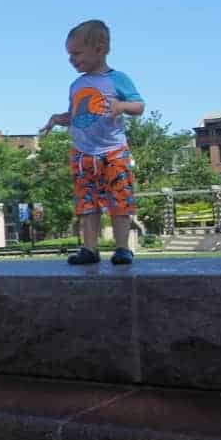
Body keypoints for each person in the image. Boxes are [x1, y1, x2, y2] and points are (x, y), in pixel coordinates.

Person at [40, 20, 145, 265]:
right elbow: (77, 116)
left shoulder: (117, 79)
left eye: (76, 53)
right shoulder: (76, 85)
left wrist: (121, 106)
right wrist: (58, 119)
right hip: (82, 153)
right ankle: (89, 248)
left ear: (100, 49)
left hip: (113, 151)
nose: (71, 60)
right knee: (86, 202)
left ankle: (122, 248)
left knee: (120, 199)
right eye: (69, 55)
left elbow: (139, 106)